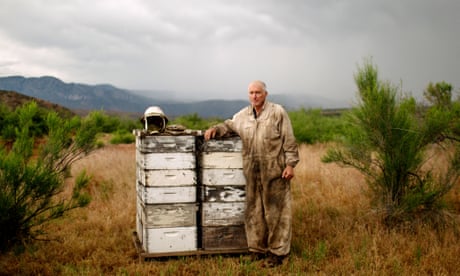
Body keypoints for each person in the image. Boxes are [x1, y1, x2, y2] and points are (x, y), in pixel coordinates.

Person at [204, 80, 299, 267]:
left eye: (258, 92)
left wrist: (290, 164)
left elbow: (289, 140)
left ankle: (277, 253)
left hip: (275, 171)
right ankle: (257, 250)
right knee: (254, 212)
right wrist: (215, 129)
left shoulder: (277, 112)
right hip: (252, 171)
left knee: (276, 213)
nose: (254, 96)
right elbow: (228, 126)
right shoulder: (242, 116)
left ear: (265, 94)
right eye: (251, 93)